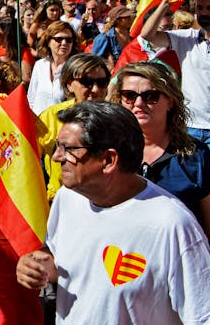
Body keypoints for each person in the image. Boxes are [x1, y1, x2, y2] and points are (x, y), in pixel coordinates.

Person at [17, 102, 210, 325]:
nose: (56, 157)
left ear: (108, 160)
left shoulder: (172, 224)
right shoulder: (67, 198)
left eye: (69, 149)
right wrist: (38, 266)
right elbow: (69, 264)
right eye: (57, 147)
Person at [111, 61, 210, 233]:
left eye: (151, 96)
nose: (139, 103)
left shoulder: (196, 156)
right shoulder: (108, 152)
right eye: (129, 95)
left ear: (170, 101)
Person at [35, 54, 111, 203]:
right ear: (69, 84)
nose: (95, 89)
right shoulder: (52, 117)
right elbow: (30, 160)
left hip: (104, 201)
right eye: (87, 82)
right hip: (60, 200)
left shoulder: (116, 119)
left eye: (102, 82)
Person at [142, 0, 210, 142]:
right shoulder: (186, 38)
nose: (204, 13)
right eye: (200, 8)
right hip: (191, 126)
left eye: (209, 8)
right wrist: (165, 4)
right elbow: (147, 35)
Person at [27, 21, 79, 115]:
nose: (64, 43)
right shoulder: (40, 65)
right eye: (59, 39)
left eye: (68, 40)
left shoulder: (75, 69)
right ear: (48, 42)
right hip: (37, 124)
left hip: (60, 126)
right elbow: (31, 98)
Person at [90, 4, 134, 70]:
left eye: (129, 16)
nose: (130, 19)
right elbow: (94, 61)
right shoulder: (104, 38)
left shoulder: (132, 38)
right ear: (117, 20)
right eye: (126, 17)